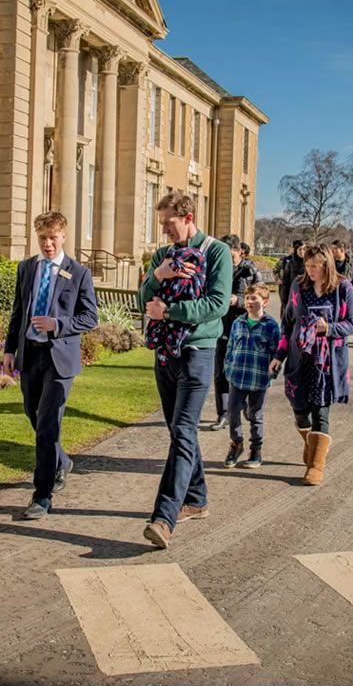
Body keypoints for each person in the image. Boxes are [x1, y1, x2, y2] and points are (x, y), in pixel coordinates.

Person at [138, 191, 231, 549]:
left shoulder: (216, 251)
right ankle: (197, 498)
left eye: (169, 223)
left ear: (188, 216)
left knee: (182, 429)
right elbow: (141, 300)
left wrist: (172, 312)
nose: (164, 231)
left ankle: (164, 518)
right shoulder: (162, 256)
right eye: (161, 223)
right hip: (164, 352)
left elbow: (217, 304)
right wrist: (157, 276)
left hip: (197, 351)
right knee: (181, 432)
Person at [3, 211, 98, 520]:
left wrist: (57, 323)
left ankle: (41, 496)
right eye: (42, 238)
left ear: (63, 237)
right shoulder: (27, 268)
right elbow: (17, 312)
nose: (47, 244)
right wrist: (8, 350)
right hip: (30, 356)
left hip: (60, 359)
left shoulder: (78, 273)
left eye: (52, 238)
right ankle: (61, 460)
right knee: (33, 415)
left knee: (47, 427)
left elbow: (90, 318)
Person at [270, 244, 353, 486]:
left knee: (321, 410)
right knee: (299, 409)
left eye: (314, 267)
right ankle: (311, 443)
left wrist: (329, 328)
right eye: (307, 266)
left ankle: (316, 466)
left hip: (327, 360)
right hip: (300, 357)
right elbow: (288, 321)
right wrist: (279, 354)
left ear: (326, 265)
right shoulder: (299, 285)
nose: (309, 271)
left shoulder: (344, 287)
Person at [223, 283, 280, 469]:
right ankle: (236, 443)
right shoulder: (238, 323)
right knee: (232, 412)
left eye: (254, 298)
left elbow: (276, 353)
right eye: (247, 298)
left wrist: (272, 373)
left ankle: (256, 449)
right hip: (237, 376)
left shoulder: (271, 326)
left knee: (255, 415)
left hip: (259, 378)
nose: (249, 302)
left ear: (264, 302)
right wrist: (228, 367)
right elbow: (230, 347)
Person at [209, 234, 259, 431]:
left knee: (240, 371)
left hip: (242, 328)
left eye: (230, 254)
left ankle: (243, 403)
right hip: (220, 326)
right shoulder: (217, 268)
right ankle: (223, 414)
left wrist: (238, 300)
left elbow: (260, 296)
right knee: (220, 372)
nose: (226, 257)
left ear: (239, 251)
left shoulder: (250, 271)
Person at [275, 240, 304, 310]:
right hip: (289, 289)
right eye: (299, 249)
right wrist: (278, 279)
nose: (302, 251)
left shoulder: (307, 262)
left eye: (304, 249)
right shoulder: (286, 260)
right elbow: (275, 270)